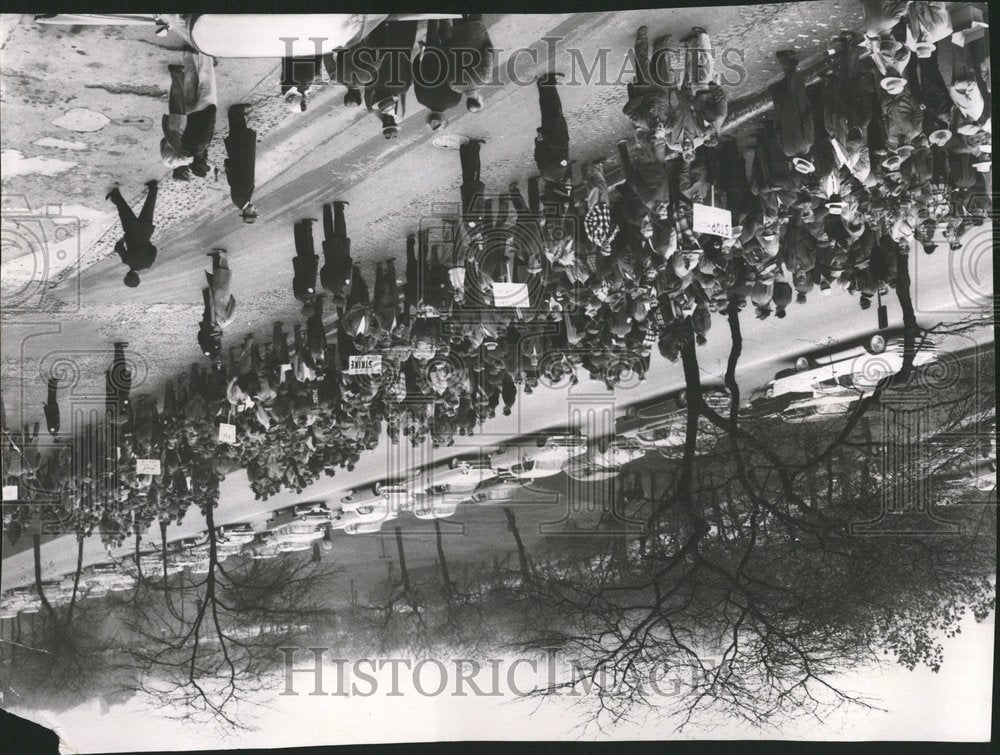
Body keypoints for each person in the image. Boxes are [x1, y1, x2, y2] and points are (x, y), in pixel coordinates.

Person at [161, 50, 216, 178]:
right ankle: (187, 54)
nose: (206, 158)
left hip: (201, 111)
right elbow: (165, 141)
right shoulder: (187, 150)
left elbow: (208, 124)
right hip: (188, 115)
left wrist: (212, 109)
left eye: (204, 161)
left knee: (207, 81)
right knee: (190, 83)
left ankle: (205, 53)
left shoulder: (199, 147)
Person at [769, 49, 815, 173]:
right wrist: (778, 117)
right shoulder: (787, 151)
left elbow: (808, 121)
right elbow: (778, 132)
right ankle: (790, 64)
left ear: (807, 159)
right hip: (784, 115)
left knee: (794, 87)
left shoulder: (807, 144)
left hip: (798, 110)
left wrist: (809, 108)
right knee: (787, 90)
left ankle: (785, 60)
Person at [413, 20, 463, 130]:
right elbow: (416, 76)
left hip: (449, 60)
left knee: (446, 34)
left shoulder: (453, 102)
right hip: (430, 59)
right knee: (432, 32)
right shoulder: (422, 99)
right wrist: (419, 56)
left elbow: (459, 79)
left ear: (443, 117)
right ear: (429, 115)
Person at [107, 181, 158, 287]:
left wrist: (146, 242)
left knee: (148, 208)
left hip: (145, 231)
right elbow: (118, 248)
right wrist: (123, 240)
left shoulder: (148, 264)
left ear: (138, 277)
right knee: (125, 212)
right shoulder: (127, 260)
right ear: (127, 275)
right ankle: (115, 194)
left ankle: (153, 187)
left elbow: (154, 250)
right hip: (131, 231)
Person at [442, 14, 495, 112]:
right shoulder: (453, 85)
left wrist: (486, 39)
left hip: (475, 31)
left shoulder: (485, 79)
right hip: (457, 35)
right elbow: (447, 58)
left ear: (478, 100)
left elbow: (488, 52)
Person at [223, 104, 257, 223]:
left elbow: (235, 177)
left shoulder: (241, 199)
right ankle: (235, 114)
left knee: (239, 137)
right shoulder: (241, 201)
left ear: (247, 212)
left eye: (253, 212)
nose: (254, 209)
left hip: (241, 160)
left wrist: (230, 164)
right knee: (239, 136)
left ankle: (236, 112)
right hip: (242, 160)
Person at [320, 201, 353, 301]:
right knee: (328, 230)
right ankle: (326, 209)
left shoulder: (344, 282)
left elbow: (348, 263)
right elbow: (322, 271)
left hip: (341, 250)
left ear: (341, 296)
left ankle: (338, 207)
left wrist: (348, 259)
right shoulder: (325, 286)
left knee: (340, 228)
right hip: (329, 254)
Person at [293, 219, 321, 312]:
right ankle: (297, 228)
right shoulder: (297, 296)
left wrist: (315, 262)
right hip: (299, 267)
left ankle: (306, 225)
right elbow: (294, 281)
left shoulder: (310, 293)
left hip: (307, 264)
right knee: (300, 248)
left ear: (311, 305)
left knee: (308, 244)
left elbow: (311, 274)